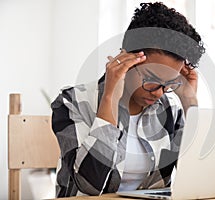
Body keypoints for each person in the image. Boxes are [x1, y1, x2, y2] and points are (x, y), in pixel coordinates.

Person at [51, 2, 205, 197]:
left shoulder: (170, 110)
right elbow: (90, 185)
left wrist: (191, 103)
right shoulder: (72, 102)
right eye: (151, 79)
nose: (159, 93)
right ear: (127, 58)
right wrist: (109, 98)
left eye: (170, 83)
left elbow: (198, 180)